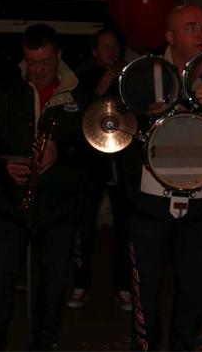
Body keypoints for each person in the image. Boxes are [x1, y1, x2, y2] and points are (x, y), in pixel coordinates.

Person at [123, 4, 202, 351]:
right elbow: (111, 131)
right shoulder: (143, 73)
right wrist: (144, 119)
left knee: (193, 291)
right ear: (170, 37)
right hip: (149, 204)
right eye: (191, 27)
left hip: (199, 205)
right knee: (146, 290)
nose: (201, 34)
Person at [0, 23, 88, 350]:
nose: (38, 70)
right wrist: (2, 166)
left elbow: (95, 150)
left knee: (52, 290)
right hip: (10, 206)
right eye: (32, 62)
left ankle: (43, 345)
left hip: (59, 209)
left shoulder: (80, 94)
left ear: (58, 56)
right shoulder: (5, 89)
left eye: (45, 62)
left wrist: (61, 151)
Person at [67, 29, 133, 311]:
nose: (111, 51)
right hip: (90, 162)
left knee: (125, 226)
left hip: (121, 161)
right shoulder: (80, 77)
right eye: (105, 46)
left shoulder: (128, 76)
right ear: (94, 52)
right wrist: (98, 90)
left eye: (114, 46)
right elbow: (73, 117)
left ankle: (124, 286)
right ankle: (80, 284)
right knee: (84, 225)